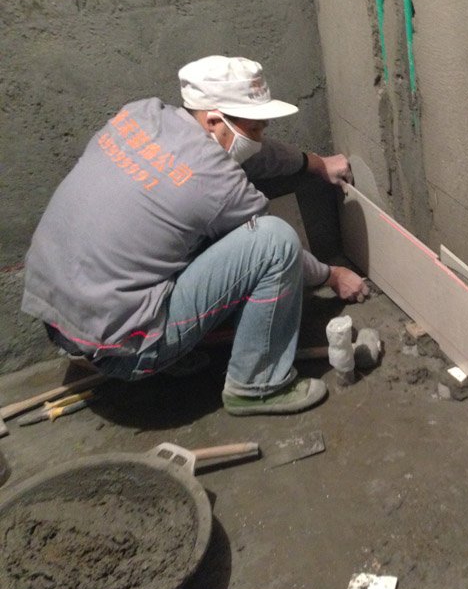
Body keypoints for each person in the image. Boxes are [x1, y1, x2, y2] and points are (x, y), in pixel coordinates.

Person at [21, 55, 369, 415]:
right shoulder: (219, 185)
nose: (261, 137)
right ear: (214, 120)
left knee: (184, 231)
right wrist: (332, 275)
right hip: (121, 351)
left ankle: (168, 345)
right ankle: (257, 385)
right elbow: (280, 250)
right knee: (275, 243)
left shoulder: (142, 114)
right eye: (255, 129)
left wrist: (316, 163)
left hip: (55, 316)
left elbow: (250, 154)